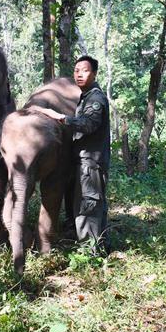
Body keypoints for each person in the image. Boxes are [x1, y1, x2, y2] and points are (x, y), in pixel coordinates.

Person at [39, 55, 111, 254]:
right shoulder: (86, 96)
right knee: (92, 205)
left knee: (88, 207)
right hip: (86, 162)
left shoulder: (95, 98)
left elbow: (89, 124)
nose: (79, 74)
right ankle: (100, 246)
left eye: (85, 70)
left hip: (91, 163)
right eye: (77, 70)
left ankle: (91, 254)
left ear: (94, 74)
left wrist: (60, 117)